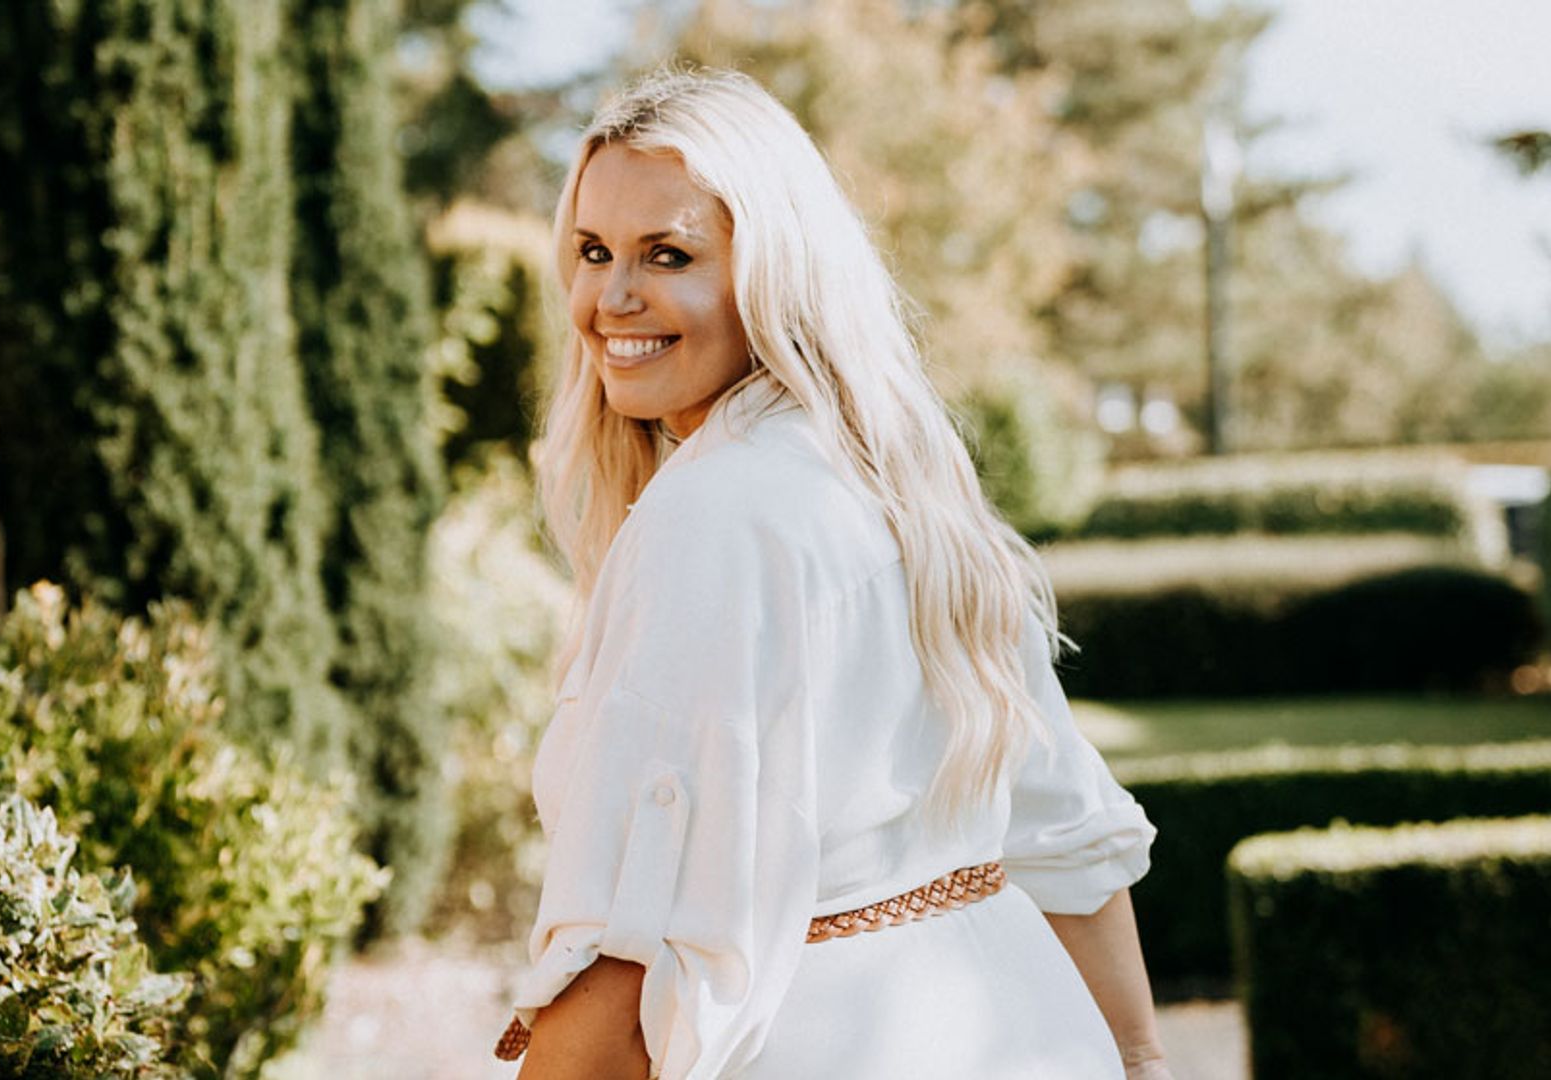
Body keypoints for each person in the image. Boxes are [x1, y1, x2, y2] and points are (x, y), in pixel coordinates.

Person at [496, 67, 1170, 1080]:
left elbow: (618, 961)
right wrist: (1142, 1059)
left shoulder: (714, 518)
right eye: (592, 251)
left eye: (668, 255)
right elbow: (1063, 837)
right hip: (1030, 1039)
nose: (612, 298)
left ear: (774, 270)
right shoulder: (908, 486)